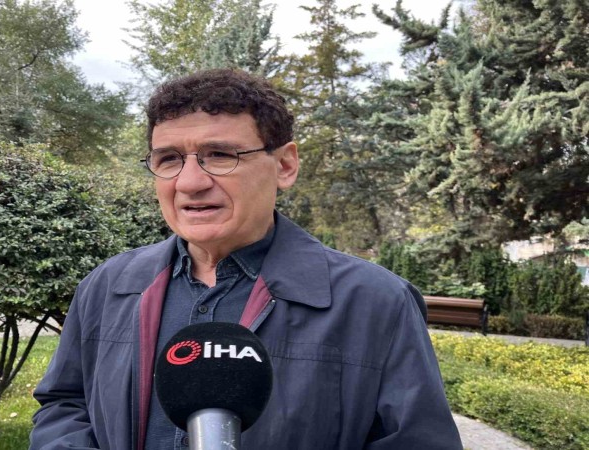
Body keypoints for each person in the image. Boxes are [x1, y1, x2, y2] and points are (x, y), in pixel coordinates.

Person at [30, 69, 462, 450]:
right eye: (169, 159)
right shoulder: (107, 286)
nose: (190, 182)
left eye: (221, 155)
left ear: (285, 165)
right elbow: (65, 403)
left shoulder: (374, 302)